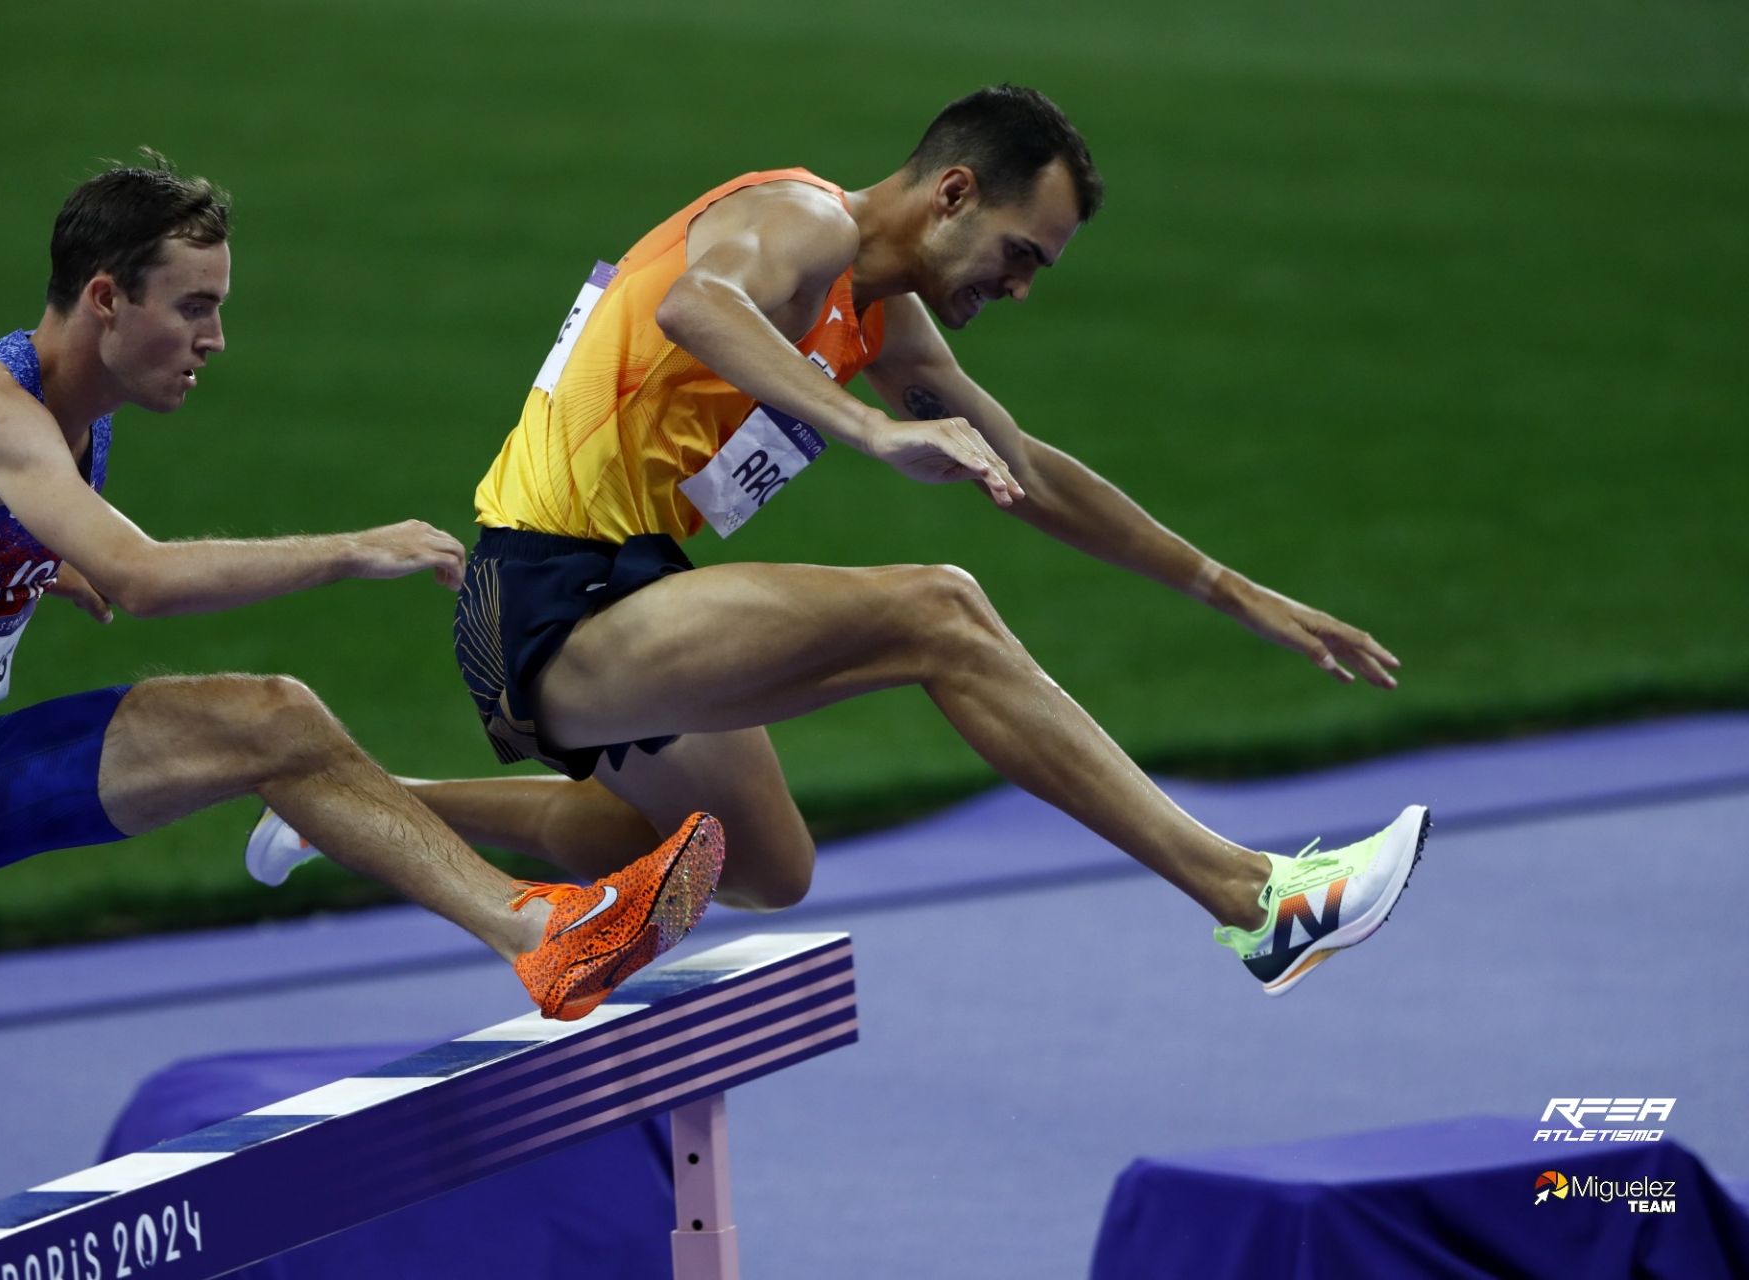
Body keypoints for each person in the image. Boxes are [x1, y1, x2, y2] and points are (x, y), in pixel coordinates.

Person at [251, 86, 1430, 996]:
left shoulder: (888, 319)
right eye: (1022, 255)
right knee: (942, 610)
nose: (1022, 289)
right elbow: (694, 305)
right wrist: (868, 428)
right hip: (547, 586)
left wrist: (1238, 592)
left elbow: (1027, 468)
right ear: (954, 193)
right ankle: (1254, 898)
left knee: (763, 865)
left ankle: (357, 803)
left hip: (627, 591)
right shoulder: (800, 221)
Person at [0, 152, 723, 1022]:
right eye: (193, 308)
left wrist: (13, 538)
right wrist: (350, 550)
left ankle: (545, 934)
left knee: (272, 720)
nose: (214, 340)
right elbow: (139, 577)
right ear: (106, 297)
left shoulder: (9, 408)